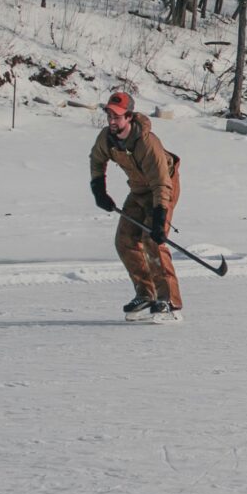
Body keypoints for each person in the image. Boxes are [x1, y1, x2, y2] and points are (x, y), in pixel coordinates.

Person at [89, 91, 183, 323]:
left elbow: (162, 184)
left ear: (129, 117)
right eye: (109, 115)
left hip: (163, 188)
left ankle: (169, 300)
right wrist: (99, 189)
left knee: (153, 240)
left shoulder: (148, 143)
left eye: (117, 116)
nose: (112, 121)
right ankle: (146, 294)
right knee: (125, 240)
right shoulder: (107, 138)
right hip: (139, 190)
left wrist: (160, 217)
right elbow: (96, 159)